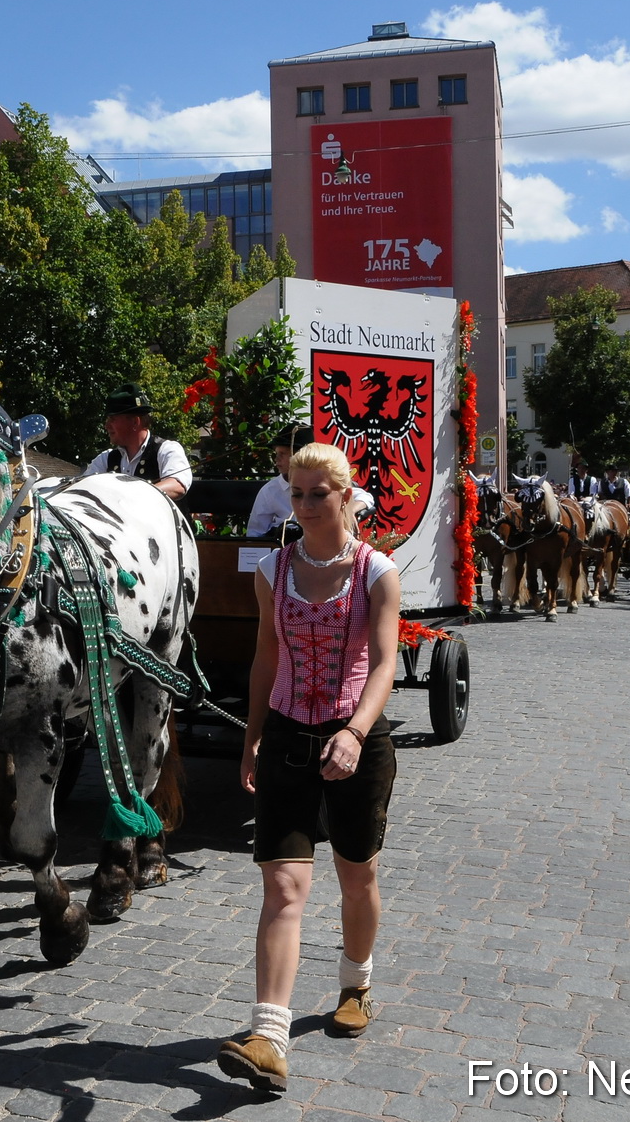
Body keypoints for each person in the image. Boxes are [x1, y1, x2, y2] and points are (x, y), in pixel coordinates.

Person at [217, 442, 401, 1093]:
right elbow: (266, 654)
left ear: (345, 495)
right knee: (284, 888)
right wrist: (251, 737)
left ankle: (355, 981)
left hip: (356, 740)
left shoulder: (375, 571)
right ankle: (268, 1036)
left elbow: (383, 663)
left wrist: (353, 731)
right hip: (289, 738)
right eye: (294, 493)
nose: (302, 505)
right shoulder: (272, 568)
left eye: (315, 494)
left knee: (358, 875)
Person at [248, 425, 374, 538]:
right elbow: (255, 534)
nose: (277, 458)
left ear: (298, 455)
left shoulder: (325, 479)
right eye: (296, 494)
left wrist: (350, 510)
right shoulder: (270, 490)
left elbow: (365, 497)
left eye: (319, 493)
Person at [84, 384, 192, 501]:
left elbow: (177, 485)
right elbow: (81, 488)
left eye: (113, 419)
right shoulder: (106, 459)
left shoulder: (167, 450)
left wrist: (133, 496)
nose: (106, 425)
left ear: (135, 422)